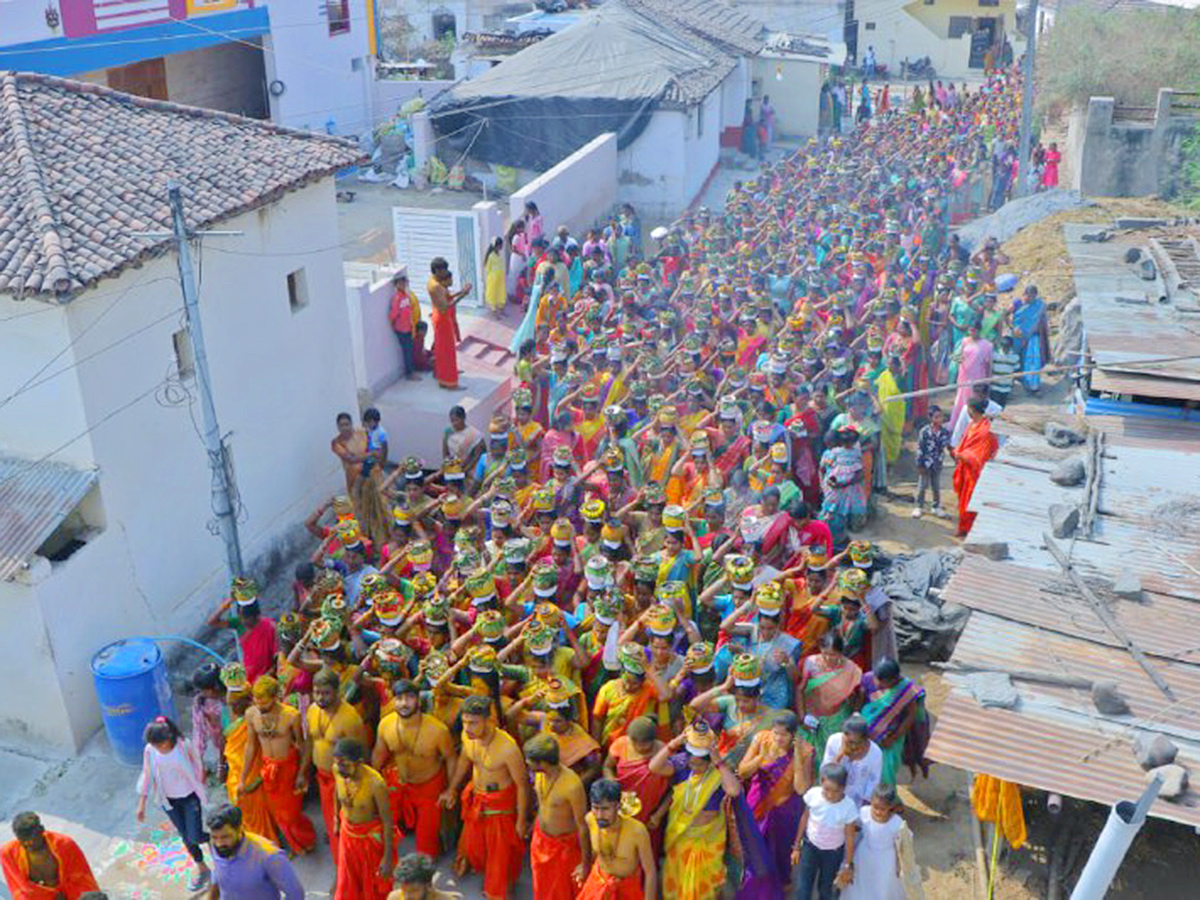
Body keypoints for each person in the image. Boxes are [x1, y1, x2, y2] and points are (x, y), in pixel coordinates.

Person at [439, 694, 528, 900]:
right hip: (476, 799)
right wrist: (452, 789)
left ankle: (497, 892)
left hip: (500, 805)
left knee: (500, 856)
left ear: (489, 720)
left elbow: (522, 786)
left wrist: (521, 821)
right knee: (473, 846)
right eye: (465, 722)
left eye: (473, 723)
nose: (468, 727)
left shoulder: (508, 748)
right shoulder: (467, 736)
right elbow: (463, 762)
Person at [650, 721, 741, 900]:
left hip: (708, 840)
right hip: (681, 835)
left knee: (709, 885)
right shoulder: (682, 765)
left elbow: (734, 790)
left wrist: (719, 763)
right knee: (678, 882)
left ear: (710, 759)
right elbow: (654, 767)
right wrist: (673, 744)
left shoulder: (718, 771)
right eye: (692, 763)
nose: (694, 767)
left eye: (699, 764)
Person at [372, 679, 456, 860]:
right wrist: (372, 782)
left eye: (409, 698)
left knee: (427, 845)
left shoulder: (437, 730)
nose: (404, 703)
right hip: (399, 783)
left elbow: (450, 758)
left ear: (418, 700)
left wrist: (451, 789)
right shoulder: (385, 724)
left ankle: (424, 870)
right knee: (384, 826)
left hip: (429, 786)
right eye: (399, 698)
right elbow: (379, 754)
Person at [734, 711, 812, 899]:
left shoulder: (806, 750)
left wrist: (799, 758)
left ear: (793, 735)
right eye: (775, 732)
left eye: (783, 734)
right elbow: (742, 772)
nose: (778, 738)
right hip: (758, 807)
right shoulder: (761, 739)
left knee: (781, 858)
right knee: (755, 854)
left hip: (785, 813)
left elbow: (801, 789)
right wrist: (760, 758)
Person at [241, 676, 317, 856]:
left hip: (289, 769)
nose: (261, 708)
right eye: (258, 703)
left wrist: (302, 773)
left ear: (276, 697)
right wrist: (243, 778)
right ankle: (295, 846)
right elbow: (251, 746)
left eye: (265, 704)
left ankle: (307, 839)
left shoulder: (291, 716)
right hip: (268, 771)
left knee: (291, 814)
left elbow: (303, 745)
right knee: (278, 814)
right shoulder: (252, 714)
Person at [136, 716, 211, 891]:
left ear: (169, 738)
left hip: (189, 797)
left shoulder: (184, 745)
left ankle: (212, 838)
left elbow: (198, 764)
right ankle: (202, 867)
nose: (157, 748)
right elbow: (147, 775)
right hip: (168, 800)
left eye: (160, 744)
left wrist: (201, 783)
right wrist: (142, 803)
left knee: (195, 836)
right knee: (186, 837)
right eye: (154, 745)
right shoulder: (150, 751)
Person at [306, 667, 367, 861]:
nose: (320, 698)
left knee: (343, 825)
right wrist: (302, 771)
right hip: (321, 777)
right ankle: (340, 860)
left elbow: (360, 754)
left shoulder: (350, 719)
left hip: (342, 781)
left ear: (337, 692)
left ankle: (345, 866)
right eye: (317, 692)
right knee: (332, 823)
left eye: (326, 693)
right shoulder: (312, 710)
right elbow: (310, 742)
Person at [524, 735, 591, 900]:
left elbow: (583, 827)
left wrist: (585, 863)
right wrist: (534, 825)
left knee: (561, 893)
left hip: (563, 849)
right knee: (541, 888)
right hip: (540, 842)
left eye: (530, 760)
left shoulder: (572, 785)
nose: (526, 763)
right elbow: (542, 804)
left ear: (543, 763)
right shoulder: (540, 775)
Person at [332, 738, 395, 900]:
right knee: (347, 881)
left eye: (345, 765)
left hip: (368, 841)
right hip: (347, 836)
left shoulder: (376, 784)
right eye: (338, 764)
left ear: (359, 762)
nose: (340, 769)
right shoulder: (338, 771)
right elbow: (336, 793)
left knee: (370, 886)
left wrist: (387, 858)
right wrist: (336, 819)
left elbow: (387, 821)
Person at [206, 803, 305, 900]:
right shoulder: (216, 846)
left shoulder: (269, 855)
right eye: (214, 837)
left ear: (240, 829)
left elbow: (295, 894)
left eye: (225, 837)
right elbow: (216, 877)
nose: (219, 843)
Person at [578, 779, 656, 900]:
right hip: (597, 885)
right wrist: (584, 866)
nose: (599, 815)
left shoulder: (637, 831)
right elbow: (589, 850)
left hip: (627, 890)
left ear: (618, 806)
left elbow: (650, 872)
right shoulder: (590, 819)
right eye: (595, 808)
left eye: (605, 809)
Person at [791, 762, 859, 900]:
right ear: (821, 782)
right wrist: (797, 846)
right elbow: (804, 818)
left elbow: (850, 837)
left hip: (833, 854)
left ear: (844, 788)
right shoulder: (813, 795)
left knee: (826, 888)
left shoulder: (849, 807)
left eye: (836, 791)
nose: (830, 794)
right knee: (803, 886)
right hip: (810, 847)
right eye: (826, 789)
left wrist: (848, 864)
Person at [839, 785, 918, 900]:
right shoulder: (864, 813)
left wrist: (898, 864)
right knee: (861, 883)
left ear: (890, 806)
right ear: (871, 801)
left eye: (882, 809)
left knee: (882, 886)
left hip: (886, 861)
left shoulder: (896, 823)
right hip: (863, 856)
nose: (878, 811)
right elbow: (853, 826)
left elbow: (902, 844)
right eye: (875, 807)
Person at [861, 658, 929, 787]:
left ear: (895, 679)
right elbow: (860, 701)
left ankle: (887, 800)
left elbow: (910, 716)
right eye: (877, 679)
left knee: (886, 770)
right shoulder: (867, 678)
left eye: (884, 682)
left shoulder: (907, 689)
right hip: (867, 732)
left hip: (892, 733)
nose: (879, 684)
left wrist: (893, 738)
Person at [2, 813, 99, 900]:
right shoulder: (9, 854)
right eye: (22, 841)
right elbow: (20, 890)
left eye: (30, 840)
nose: (27, 845)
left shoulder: (64, 845)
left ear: (41, 831)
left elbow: (83, 880)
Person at [951, 397, 999, 536]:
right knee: (963, 499)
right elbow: (965, 442)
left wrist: (963, 455)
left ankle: (968, 529)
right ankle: (963, 525)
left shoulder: (986, 430)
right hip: (965, 469)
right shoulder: (973, 424)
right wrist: (959, 451)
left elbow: (981, 455)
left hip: (975, 472)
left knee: (971, 500)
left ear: (972, 410)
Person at [821, 714, 883, 808]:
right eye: (849, 742)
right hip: (832, 800)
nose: (853, 746)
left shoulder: (876, 753)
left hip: (857, 806)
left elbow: (872, 787)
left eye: (858, 743)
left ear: (866, 739)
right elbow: (825, 775)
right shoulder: (834, 741)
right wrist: (840, 754)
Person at [428, 257, 471, 391]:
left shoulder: (434, 281)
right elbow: (445, 306)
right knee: (447, 351)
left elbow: (447, 297)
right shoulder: (435, 286)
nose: (446, 272)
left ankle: (444, 376)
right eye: (443, 270)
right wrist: (462, 295)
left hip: (440, 316)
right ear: (437, 270)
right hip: (442, 318)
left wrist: (461, 292)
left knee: (444, 349)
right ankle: (450, 382)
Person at [912, 405, 951, 519]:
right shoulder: (924, 432)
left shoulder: (944, 432)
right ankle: (919, 506)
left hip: (937, 463)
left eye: (940, 417)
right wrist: (919, 464)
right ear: (930, 418)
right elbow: (920, 448)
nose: (939, 419)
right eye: (936, 417)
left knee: (936, 485)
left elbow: (947, 446)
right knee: (922, 485)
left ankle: (936, 506)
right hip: (925, 463)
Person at [388, 271, 421, 381]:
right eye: (400, 283)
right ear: (396, 284)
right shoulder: (397, 298)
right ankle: (410, 373)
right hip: (402, 329)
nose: (403, 285)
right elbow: (393, 314)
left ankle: (412, 370)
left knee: (409, 350)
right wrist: (394, 324)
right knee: (407, 351)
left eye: (404, 282)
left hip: (408, 328)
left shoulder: (406, 296)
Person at [391, 853, 461, 900]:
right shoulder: (394, 897)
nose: (407, 897)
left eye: (414, 890)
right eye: (404, 890)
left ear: (429, 886)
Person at [483, 237, 506, 314]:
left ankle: (501, 307)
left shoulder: (498, 254)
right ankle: (494, 310)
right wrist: (492, 276)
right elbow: (488, 268)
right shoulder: (491, 256)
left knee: (500, 292)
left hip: (500, 277)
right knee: (493, 293)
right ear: (495, 246)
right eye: (500, 245)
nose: (501, 247)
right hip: (493, 278)